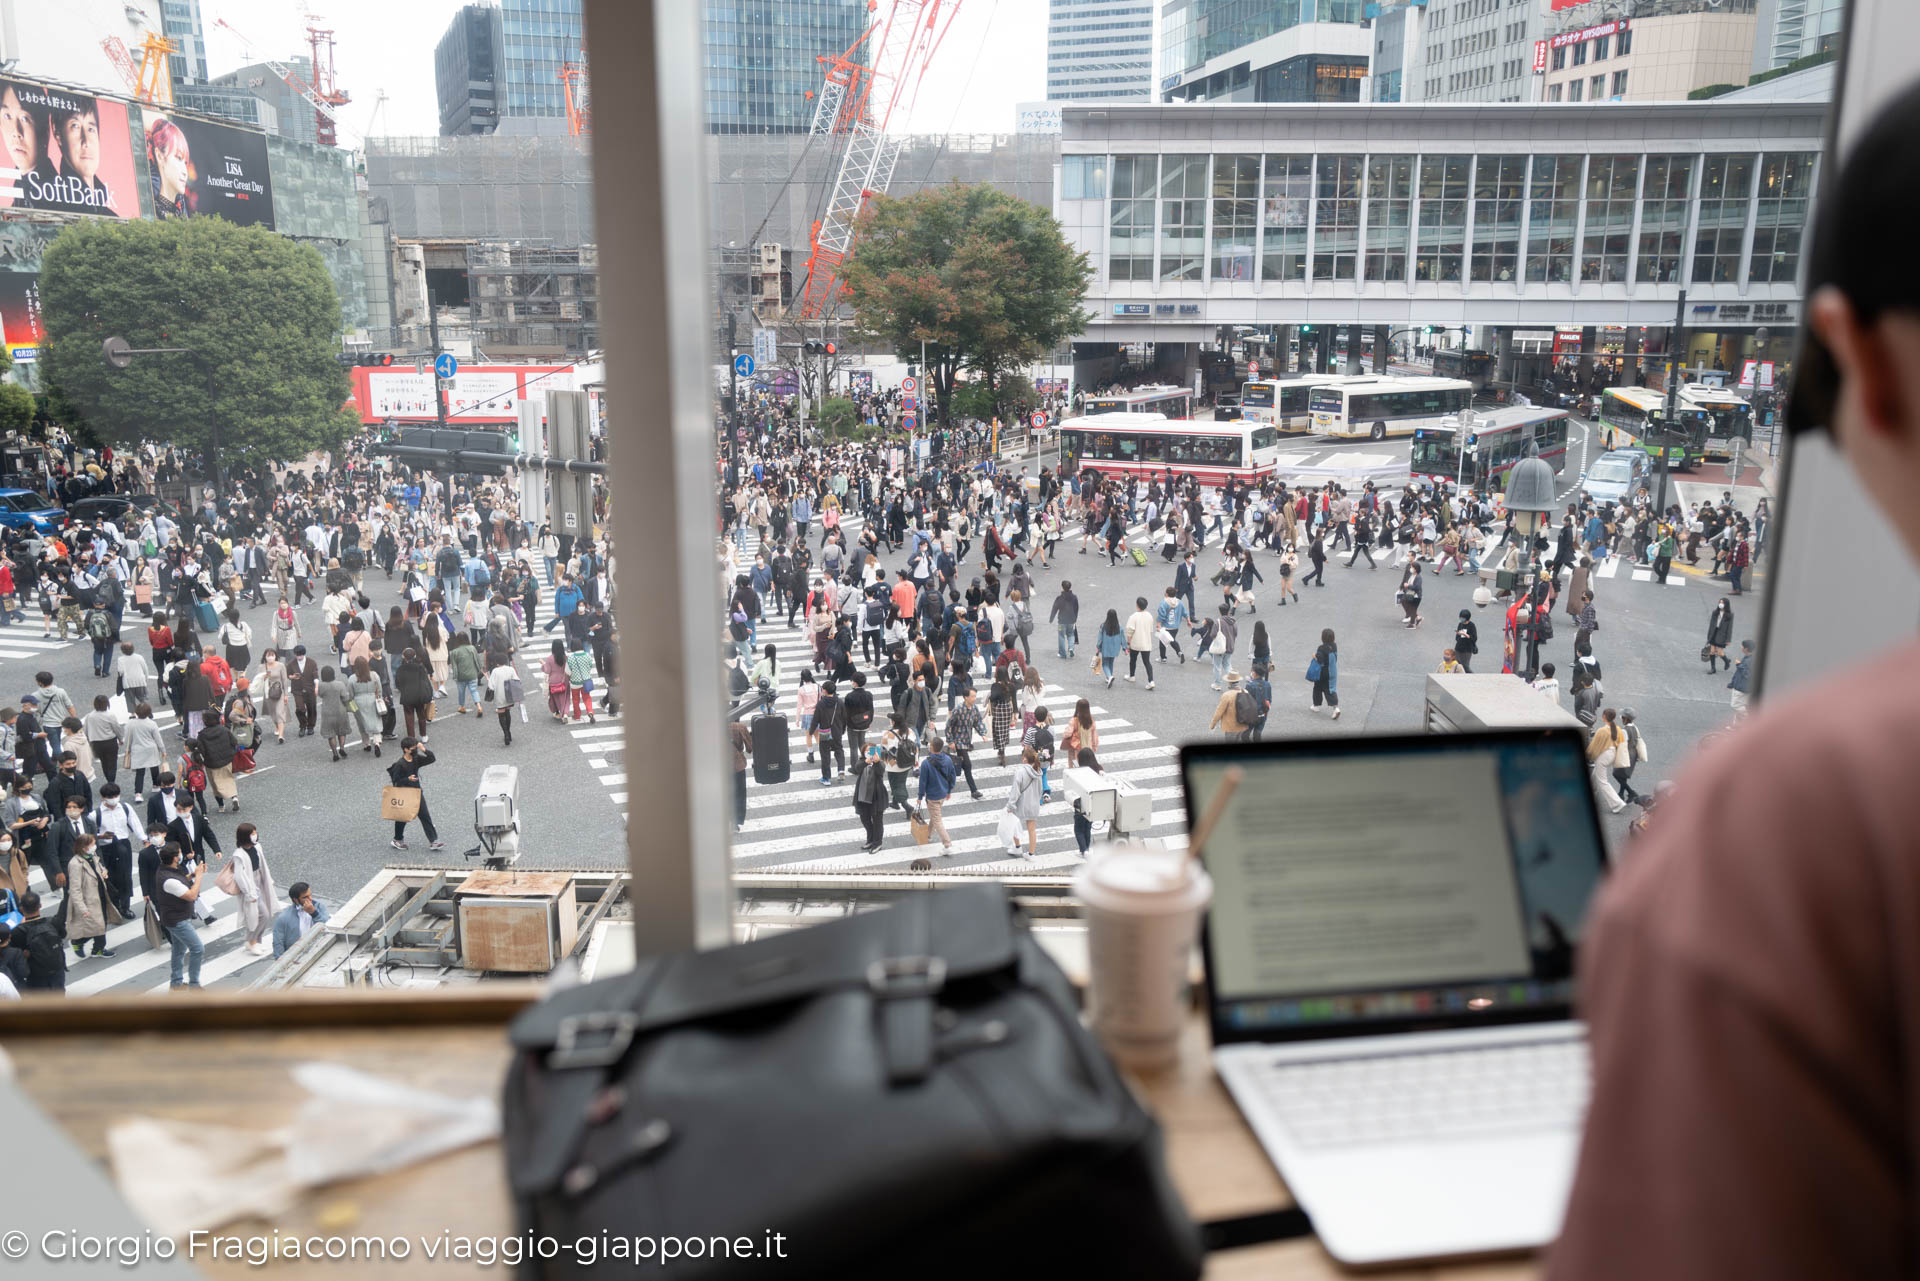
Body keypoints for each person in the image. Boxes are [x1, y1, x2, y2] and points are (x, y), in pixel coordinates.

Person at [151, 842, 205, 990]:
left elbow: (181, 881)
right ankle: (194, 985)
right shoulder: (168, 879)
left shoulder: (168, 870)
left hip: (177, 917)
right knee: (198, 949)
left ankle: (176, 983)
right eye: (180, 853)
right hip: (177, 920)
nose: (182, 855)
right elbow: (191, 895)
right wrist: (199, 877)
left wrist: (192, 874)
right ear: (175, 858)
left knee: (179, 950)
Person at [62, 833, 120, 960]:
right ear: (84, 847)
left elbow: (100, 868)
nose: (95, 846)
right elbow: (75, 889)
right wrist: (82, 908)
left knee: (101, 923)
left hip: (100, 895)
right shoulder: (75, 864)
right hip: (88, 899)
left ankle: (87, 945)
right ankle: (91, 946)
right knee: (99, 925)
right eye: (92, 844)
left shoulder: (92, 856)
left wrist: (104, 872)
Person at [225, 822, 280, 956]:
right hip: (250, 887)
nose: (255, 835)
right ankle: (252, 941)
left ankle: (253, 940)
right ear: (245, 836)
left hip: (260, 882)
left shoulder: (257, 847)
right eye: (252, 833)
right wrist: (249, 893)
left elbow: (263, 865)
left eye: (255, 833)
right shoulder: (239, 855)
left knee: (261, 915)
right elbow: (239, 876)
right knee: (262, 915)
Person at [386, 737, 443, 851]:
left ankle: (434, 841)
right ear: (406, 750)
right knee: (403, 818)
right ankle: (397, 839)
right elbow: (396, 781)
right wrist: (408, 779)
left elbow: (431, 759)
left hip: (417, 792)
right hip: (405, 793)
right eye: (413, 749)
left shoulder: (416, 759)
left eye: (416, 748)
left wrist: (424, 749)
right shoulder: (400, 764)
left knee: (425, 816)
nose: (415, 750)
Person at [13, 891, 66, 992]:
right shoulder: (52, 922)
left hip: (35, 974)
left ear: (21, 909)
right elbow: (63, 934)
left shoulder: (18, 932)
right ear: (40, 906)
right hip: (57, 970)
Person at [915, 736, 958, 854]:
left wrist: (919, 797)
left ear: (933, 747)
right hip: (943, 793)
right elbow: (952, 776)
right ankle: (928, 835)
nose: (929, 746)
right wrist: (949, 791)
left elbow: (922, 782)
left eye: (930, 745)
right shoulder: (948, 759)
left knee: (937, 820)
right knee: (935, 816)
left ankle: (947, 843)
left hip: (933, 796)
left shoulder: (926, 763)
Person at [1003, 745, 1044, 858]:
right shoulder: (1038, 771)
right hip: (1033, 804)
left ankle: (1017, 847)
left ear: (1025, 759)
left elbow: (1015, 791)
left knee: (1014, 824)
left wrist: (1010, 805)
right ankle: (1031, 854)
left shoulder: (1020, 772)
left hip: (1021, 803)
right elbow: (1040, 790)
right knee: (1032, 829)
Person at [272, 881, 332, 957]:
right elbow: (278, 943)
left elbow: (329, 927)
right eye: (305, 897)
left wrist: (314, 913)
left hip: (319, 951)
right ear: (295, 900)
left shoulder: (319, 907)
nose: (310, 899)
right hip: (297, 956)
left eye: (310, 895)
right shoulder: (283, 918)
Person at [1209, 668, 1251, 740]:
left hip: (1231, 726)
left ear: (1229, 682)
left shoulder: (1227, 695)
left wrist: (1212, 725)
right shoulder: (1245, 692)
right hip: (1242, 725)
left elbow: (1219, 711)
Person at [1124, 596, 1156, 689]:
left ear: (1137, 605)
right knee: (1147, 662)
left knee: (1133, 660)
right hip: (1146, 643)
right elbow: (1150, 630)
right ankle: (1151, 681)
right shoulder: (1149, 616)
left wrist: (1128, 643)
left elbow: (1129, 631)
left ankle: (1132, 676)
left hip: (1135, 643)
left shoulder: (1133, 616)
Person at [1309, 628, 1340, 720]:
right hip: (1332, 671)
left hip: (1323, 673)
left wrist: (1314, 656)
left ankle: (1316, 705)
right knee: (1330, 689)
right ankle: (1335, 707)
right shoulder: (1334, 646)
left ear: (1323, 638)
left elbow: (1320, 659)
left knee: (1317, 688)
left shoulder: (1322, 648)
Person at [1096, 608, 1125, 689]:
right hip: (1115, 649)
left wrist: (1098, 647)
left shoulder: (1103, 626)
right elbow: (1123, 638)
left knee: (1105, 664)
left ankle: (1109, 677)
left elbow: (1100, 639)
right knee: (1111, 662)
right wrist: (1125, 648)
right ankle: (1109, 677)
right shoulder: (1119, 627)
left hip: (1106, 648)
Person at [1704, 596, 1735, 673]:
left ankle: (1727, 661)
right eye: (1720, 602)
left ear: (1726, 604)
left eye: (1722, 603)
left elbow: (1730, 628)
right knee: (1712, 651)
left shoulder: (1730, 615)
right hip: (1714, 633)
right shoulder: (1715, 612)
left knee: (1719, 652)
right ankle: (1713, 669)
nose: (1720, 604)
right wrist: (1709, 636)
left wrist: (1728, 640)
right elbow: (1711, 625)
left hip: (1722, 635)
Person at [1727, 638, 1755, 717]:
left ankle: (1749, 717)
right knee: (1739, 708)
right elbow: (1738, 673)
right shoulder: (1747, 657)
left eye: (1742, 646)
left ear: (1746, 649)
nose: (1740, 647)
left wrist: (1739, 665)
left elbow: (1747, 674)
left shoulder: (1749, 661)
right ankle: (1736, 726)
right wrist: (1732, 683)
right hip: (1740, 686)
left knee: (1735, 705)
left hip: (1742, 688)